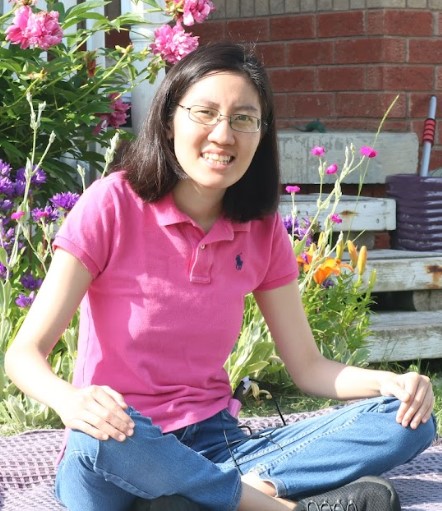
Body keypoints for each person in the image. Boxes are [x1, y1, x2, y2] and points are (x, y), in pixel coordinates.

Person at [5, 42, 436, 511]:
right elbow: (24, 355)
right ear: (169, 119)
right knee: (98, 437)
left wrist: (390, 383)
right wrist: (71, 401)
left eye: (243, 119)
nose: (223, 134)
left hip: (216, 443)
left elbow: (308, 367)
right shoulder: (112, 204)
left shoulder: (261, 228)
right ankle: (270, 505)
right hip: (121, 443)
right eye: (205, 113)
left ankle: (206, 497)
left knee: (405, 419)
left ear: (261, 134)